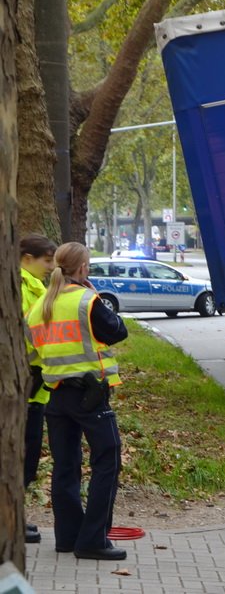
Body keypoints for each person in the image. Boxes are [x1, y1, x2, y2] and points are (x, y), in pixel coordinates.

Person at [25, 242, 129, 560]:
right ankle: (93, 540)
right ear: (83, 268)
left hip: (55, 396)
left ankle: (67, 538)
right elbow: (117, 332)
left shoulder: (40, 305)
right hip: (90, 395)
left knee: (65, 467)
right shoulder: (87, 300)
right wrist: (93, 293)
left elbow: (32, 351)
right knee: (106, 462)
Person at [20, 234, 57, 544]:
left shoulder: (36, 287)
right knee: (21, 456)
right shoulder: (20, 286)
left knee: (29, 457)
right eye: (46, 260)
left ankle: (15, 518)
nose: (50, 266)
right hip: (24, 385)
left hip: (36, 386)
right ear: (26, 258)